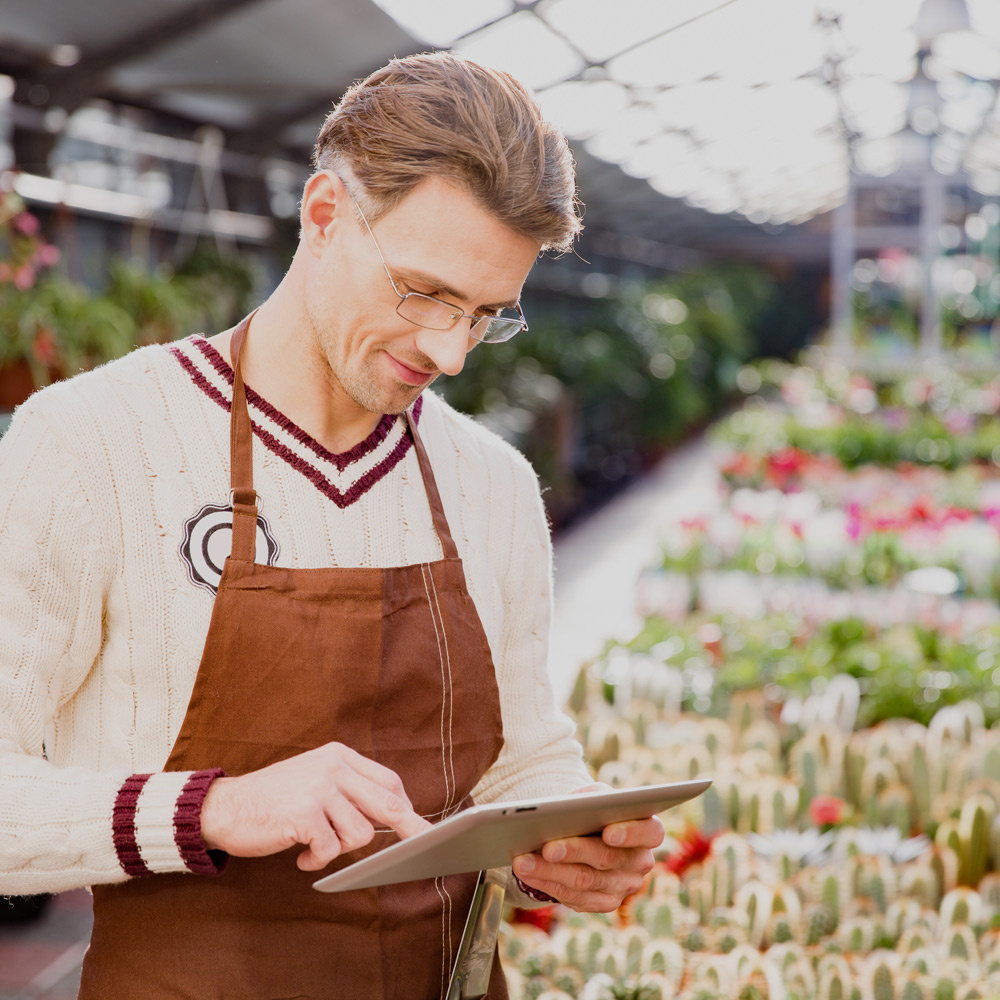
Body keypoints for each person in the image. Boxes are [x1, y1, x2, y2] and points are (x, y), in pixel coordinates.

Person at [0, 52, 663, 998]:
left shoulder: (494, 485)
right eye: (424, 292)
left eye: (485, 315)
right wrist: (216, 809)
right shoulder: (95, 444)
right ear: (323, 215)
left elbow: (522, 750)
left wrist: (557, 839)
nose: (449, 350)